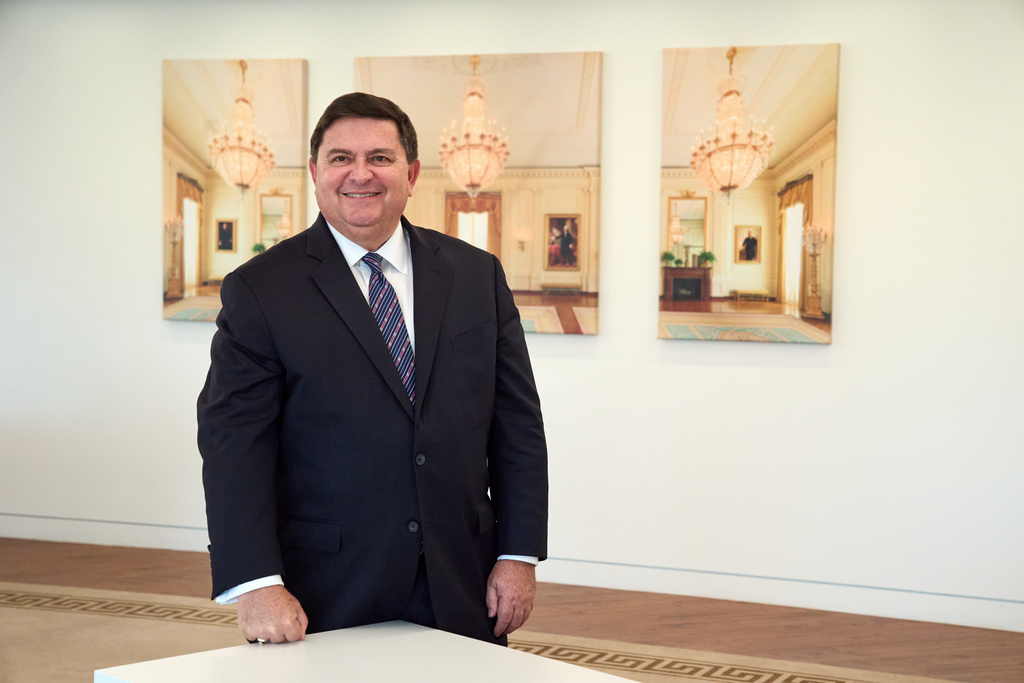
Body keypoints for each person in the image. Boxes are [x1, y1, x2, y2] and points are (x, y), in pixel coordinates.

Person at [197, 92, 548, 648]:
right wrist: (256, 582)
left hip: (463, 576)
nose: (360, 173)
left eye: (380, 158)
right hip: (325, 586)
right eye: (341, 158)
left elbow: (518, 427)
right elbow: (234, 444)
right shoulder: (260, 289)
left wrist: (518, 554)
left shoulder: (477, 275)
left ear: (411, 174)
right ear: (315, 173)